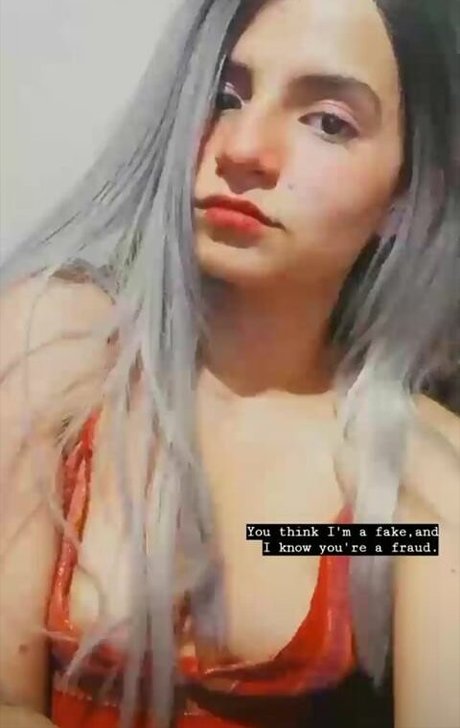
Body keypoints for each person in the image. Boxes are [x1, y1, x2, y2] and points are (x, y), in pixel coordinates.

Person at [0, 0, 459, 726]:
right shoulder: (56, 347)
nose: (242, 148)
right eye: (225, 94)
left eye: (328, 122)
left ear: (408, 194)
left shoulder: (417, 479)